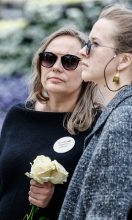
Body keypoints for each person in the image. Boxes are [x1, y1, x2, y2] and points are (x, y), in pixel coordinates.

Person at [0, 27, 101, 220]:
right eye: (49, 58)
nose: (56, 67)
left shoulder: (95, 126)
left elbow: (98, 200)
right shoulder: (18, 115)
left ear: (86, 69)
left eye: (69, 61)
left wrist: (55, 198)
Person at [59, 4, 132, 220]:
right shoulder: (119, 112)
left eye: (95, 44)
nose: (83, 51)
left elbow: (108, 212)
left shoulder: (124, 120)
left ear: (124, 60)